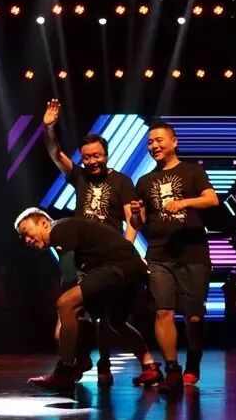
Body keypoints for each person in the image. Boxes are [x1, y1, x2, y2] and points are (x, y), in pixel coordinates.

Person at [42, 98, 140, 385]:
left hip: (110, 258)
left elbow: (131, 220)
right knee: (74, 312)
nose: (93, 161)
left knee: (106, 317)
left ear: (106, 154)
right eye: (87, 157)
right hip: (81, 258)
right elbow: (55, 154)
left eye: (98, 156)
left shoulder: (122, 181)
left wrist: (125, 250)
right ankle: (77, 361)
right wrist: (49, 128)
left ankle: (103, 364)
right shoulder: (79, 176)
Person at [15, 209, 156, 392]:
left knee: (66, 304)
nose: (27, 240)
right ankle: (149, 366)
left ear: (43, 222)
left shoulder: (58, 230)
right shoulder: (70, 233)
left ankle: (65, 371)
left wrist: (62, 315)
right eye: (22, 238)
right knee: (116, 322)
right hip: (131, 270)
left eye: (26, 232)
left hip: (118, 267)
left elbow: (69, 278)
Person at [130, 121, 219, 393]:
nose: (154, 146)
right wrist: (136, 214)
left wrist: (183, 202)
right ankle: (171, 369)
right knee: (163, 311)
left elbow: (212, 199)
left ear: (174, 141)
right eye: (150, 142)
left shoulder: (193, 172)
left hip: (193, 253)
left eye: (159, 140)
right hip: (158, 254)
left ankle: (193, 361)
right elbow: (139, 222)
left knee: (194, 317)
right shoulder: (144, 181)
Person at [222, 271, 236, 347]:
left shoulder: (227, 287)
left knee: (230, 328)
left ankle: (230, 343)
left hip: (231, 310)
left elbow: (222, 288)